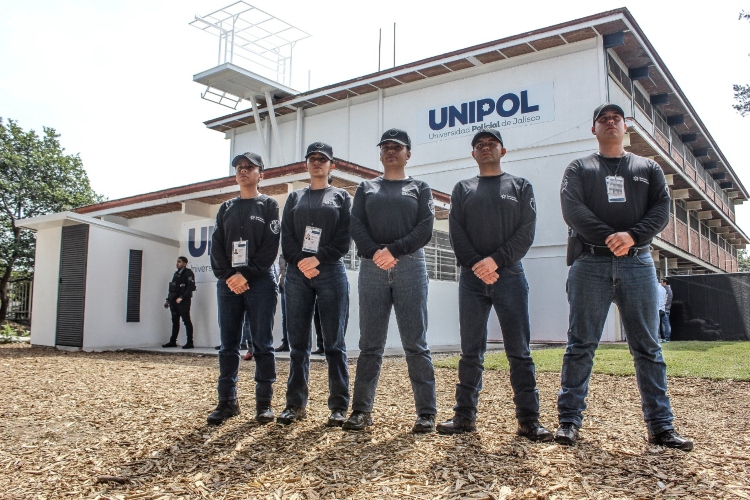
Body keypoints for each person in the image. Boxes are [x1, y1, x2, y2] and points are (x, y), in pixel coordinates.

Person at [556, 103, 693, 451]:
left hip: (639, 263)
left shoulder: (648, 168)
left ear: (625, 127)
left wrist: (631, 235)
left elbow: (661, 209)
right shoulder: (580, 167)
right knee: (581, 345)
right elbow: (572, 208)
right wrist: (608, 236)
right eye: (603, 118)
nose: (610, 122)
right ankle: (569, 422)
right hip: (590, 263)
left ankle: (661, 426)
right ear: (594, 129)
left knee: (648, 347)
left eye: (616, 118)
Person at [437, 129, 552, 441]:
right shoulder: (463, 188)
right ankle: (463, 418)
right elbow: (456, 232)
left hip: (510, 277)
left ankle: (529, 422)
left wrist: (496, 260)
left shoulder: (520, 186)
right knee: (470, 351)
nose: (485, 148)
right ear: (473, 154)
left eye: (491, 144)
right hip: (472, 280)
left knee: (520, 352)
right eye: (479, 145)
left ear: (504, 150)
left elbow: (526, 231)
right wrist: (478, 263)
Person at [343, 128, 437, 433]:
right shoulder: (366, 188)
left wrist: (394, 251)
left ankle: (426, 413)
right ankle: (360, 411)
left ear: (408, 153)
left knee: (416, 342)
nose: (390, 151)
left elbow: (425, 228)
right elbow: (355, 223)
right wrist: (375, 253)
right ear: (380, 153)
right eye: (385, 146)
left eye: (397, 147)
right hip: (372, 268)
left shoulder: (419, 187)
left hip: (410, 266)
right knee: (370, 343)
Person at [278, 142, 352, 427]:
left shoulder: (342, 196)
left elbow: (344, 239)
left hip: (331, 270)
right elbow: (287, 238)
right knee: (298, 344)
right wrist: (301, 262)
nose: (317, 163)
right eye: (312, 159)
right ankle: (295, 405)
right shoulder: (295, 197)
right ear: (306, 165)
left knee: (334, 343)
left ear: (332, 165)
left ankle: (338, 406)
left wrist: (317, 259)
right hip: (298, 274)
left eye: (323, 159)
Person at [207, 151, 280, 425]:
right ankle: (227, 402)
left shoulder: (269, 205)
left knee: (262, 343)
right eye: (239, 167)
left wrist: (245, 275)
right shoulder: (226, 208)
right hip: (228, 284)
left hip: (260, 282)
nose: (243, 170)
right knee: (228, 345)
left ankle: (264, 404)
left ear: (261, 174)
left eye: (249, 167)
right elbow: (216, 247)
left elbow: (269, 248)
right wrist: (229, 276)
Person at [162, 256, 196, 349]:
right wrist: (168, 300)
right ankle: (172, 341)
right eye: (177, 262)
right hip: (174, 301)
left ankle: (190, 342)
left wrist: (182, 297)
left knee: (186, 321)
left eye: (179, 262)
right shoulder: (176, 274)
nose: (177, 263)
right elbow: (172, 288)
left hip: (183, 301)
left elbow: (191, 286)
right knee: (175, 321)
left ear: (185, 263)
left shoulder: (188, 273)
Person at [274, 255, 290, 352]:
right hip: (284, 288)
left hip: (297, 288)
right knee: (285, 317)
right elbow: (277, 272)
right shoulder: (281, 258)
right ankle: (286, 342)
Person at [661, 278, 673, 342]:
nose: (661, 284)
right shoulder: (669, 290)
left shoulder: (666, 290)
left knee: (665, 323)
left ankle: (666, 337)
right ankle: (666, 337)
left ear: (665, 283)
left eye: (662, 282)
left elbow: (666, 300)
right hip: (667, 308)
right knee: (666, 323)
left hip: (665, 308)